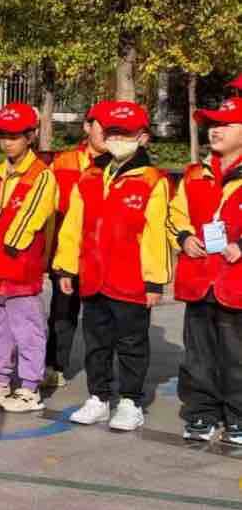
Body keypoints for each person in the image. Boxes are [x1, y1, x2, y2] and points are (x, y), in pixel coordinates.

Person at [52, 100, 171, 431]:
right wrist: (66, 267)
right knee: (96, 341)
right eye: (113, 132)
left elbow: (155, 233)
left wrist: (154, 281)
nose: (117, 139)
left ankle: (131, 402)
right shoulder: (89, 176)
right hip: (93, 276)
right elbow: (73, 224)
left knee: (132, 343)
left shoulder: (152, 180)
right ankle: (99, 398)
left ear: (143, 137)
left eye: (126, 133)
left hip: (130, 280)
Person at [0, 103, 58, 413]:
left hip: (20, 265)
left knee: (28, 327)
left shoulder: (41, 175)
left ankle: (30, 387)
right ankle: (0, 380)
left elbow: (33, 216)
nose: (6, 142)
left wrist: (7, 248)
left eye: (14, 136)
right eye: (3, 136)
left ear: (30, 136)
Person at [170, 96, 242, 444]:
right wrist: (183, 237)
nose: (215, 131)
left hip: (235, 283)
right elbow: (175, 213)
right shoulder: (195, 174)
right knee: (198, 355)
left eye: (225, 124)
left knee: (236, 355)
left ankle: (238, 417)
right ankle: (201, 413)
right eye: (212, 124)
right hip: (199, 279)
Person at [44, 104, 108, 387]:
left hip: (104, 255)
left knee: (103, 320)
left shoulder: (123, 164)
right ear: (87, 127)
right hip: (68, 252)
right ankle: (54, 366)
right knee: (62, 313)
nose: (108, 132)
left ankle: (104, 379)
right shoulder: (63, 162)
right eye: (101, 125)